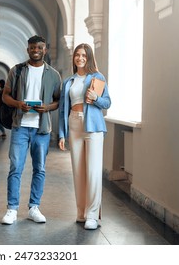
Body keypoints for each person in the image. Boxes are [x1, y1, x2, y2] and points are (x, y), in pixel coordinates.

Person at [1, 35, 61, 225]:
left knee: (40, 169)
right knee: (15, 168)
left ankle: (34, 207)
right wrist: (19, 104)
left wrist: (48, 107)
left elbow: (58, 100)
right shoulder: (17, 71)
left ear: (45, 50)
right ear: (28, 49)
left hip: (41, 129)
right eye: (32, 47)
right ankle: (12, 209)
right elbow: (5, 96)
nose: (36, 50)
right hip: (20, 127)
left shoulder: (54, 75)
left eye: (40, 47)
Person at [58, 43, 111, 230]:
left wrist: (96, 98)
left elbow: (107, 103)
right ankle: (81, 212)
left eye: (84, 55)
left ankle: (92, 215)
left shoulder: (97, 77)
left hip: (93, 127)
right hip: (74, 124)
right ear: (74, 58)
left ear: (88, 58)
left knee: (93, 171)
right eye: (77, 55)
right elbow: (63, 110)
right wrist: (62, 134)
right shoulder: (68, 82)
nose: (80, 58)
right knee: (78, 171)